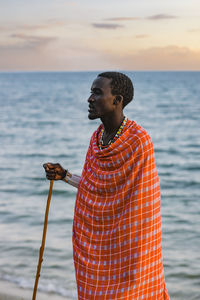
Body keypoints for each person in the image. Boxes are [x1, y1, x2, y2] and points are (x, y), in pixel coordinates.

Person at [43, 72, 169, 299]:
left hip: (130, 247)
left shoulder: (138, 140)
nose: (90, 98)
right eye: (91, 92)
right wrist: (65, 176)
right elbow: (97, 188)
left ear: (117, 100)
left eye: (97, 93)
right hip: (98, 246)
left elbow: (143, 200)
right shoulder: (97, 138)